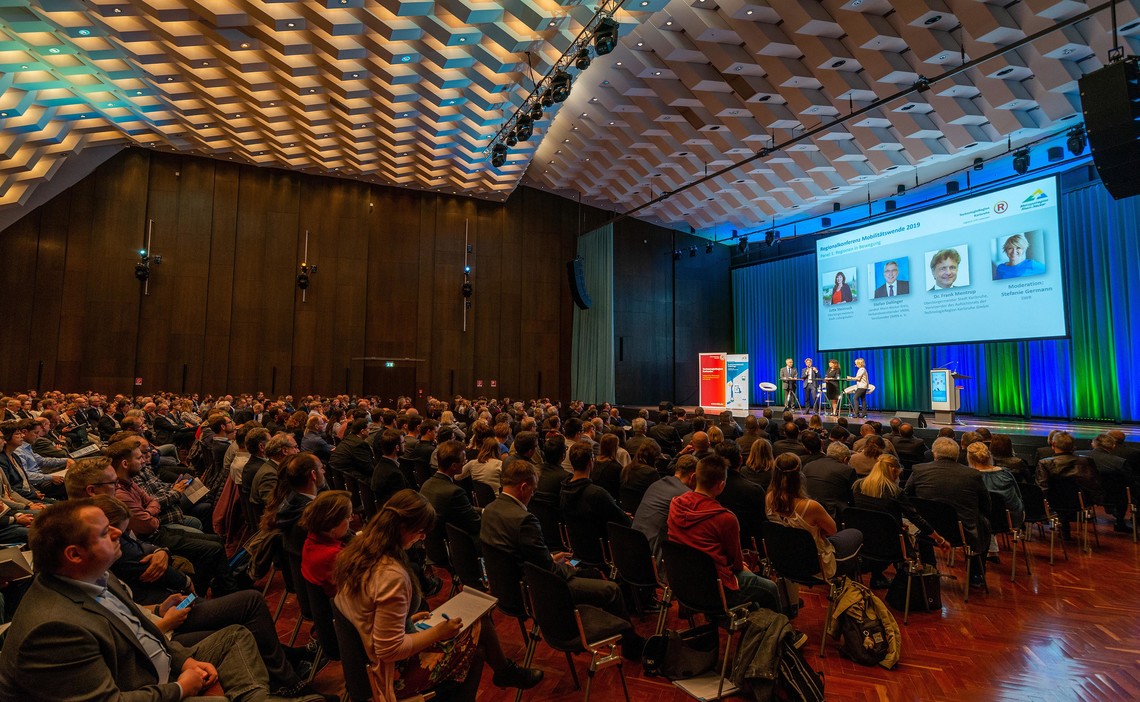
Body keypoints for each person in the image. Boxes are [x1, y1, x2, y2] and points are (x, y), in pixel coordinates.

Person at [0, 499, 323, 702]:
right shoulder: (55, 628)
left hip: (159, 666)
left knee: (235, 636)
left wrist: (183, 660)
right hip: (147, 684)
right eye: (104, 533)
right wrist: (183, 686)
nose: (117, 534)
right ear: (74, 554)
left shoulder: (95, 575)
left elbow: (144, 633)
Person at [335, 490, 542, 702]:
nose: (423, 537)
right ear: (403, 527)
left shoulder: (358, 552)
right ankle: (505, 671)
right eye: (421, 531)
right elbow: (389, 649)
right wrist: (438, 633)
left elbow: (369, 613)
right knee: (478, 634)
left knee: (478, 635)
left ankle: (504, 671)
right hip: (390, 674)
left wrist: (405, 620)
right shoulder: (391, 576)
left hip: (371, 664)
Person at [668, 456, 782, 612]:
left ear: (695, 477)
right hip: (716, 586)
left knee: (755, 598)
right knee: (770, 588)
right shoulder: (725, 518)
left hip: (682, 579)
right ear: (721, 485)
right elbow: (735, 562)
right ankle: (782, 632)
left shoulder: (675, 504)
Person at [906, 437, 991, 587]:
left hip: (927, 530)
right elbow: (986, 505)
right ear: (957, 454)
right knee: (984, 524)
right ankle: (976, 574)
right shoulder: (972, 475)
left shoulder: (918, 470)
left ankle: (929, 567)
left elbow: (907, 498)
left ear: (934, 454)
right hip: (962, 532)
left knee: (921, 522)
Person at [852, 455, 947, 588]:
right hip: (890, 545)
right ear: (895, 472)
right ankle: (924, 581)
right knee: (918, 537)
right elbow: (916, 519)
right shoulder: (896, 492)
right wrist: (939, 539)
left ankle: (879, 576)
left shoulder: (857, 486)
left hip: (862, 540)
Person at [766, 453, 862, 580]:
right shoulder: (811, 506)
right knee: (856, 533)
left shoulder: (769, 498)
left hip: (785, 559)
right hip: (816, 566)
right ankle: (851, 586)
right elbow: (832, 531)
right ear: (800, 475)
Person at [966, 442, 1024, 561]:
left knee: (977, 511)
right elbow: (1018, 496)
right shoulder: (1006, 473)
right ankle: (991, 551)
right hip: (1011, 519)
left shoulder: (970, 477)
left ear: (969, 459)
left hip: (984, 521)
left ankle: (984, 551)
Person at [632, 454, 696, 559]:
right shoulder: (685, 495)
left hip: (633, 547)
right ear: (693, 476)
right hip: (655, 557)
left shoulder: (656, 484)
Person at [300, 490, 354, 596]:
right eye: (348, 516)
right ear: (333, 523)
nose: (351, 519)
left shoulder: (311, 539)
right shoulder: (333, 556)